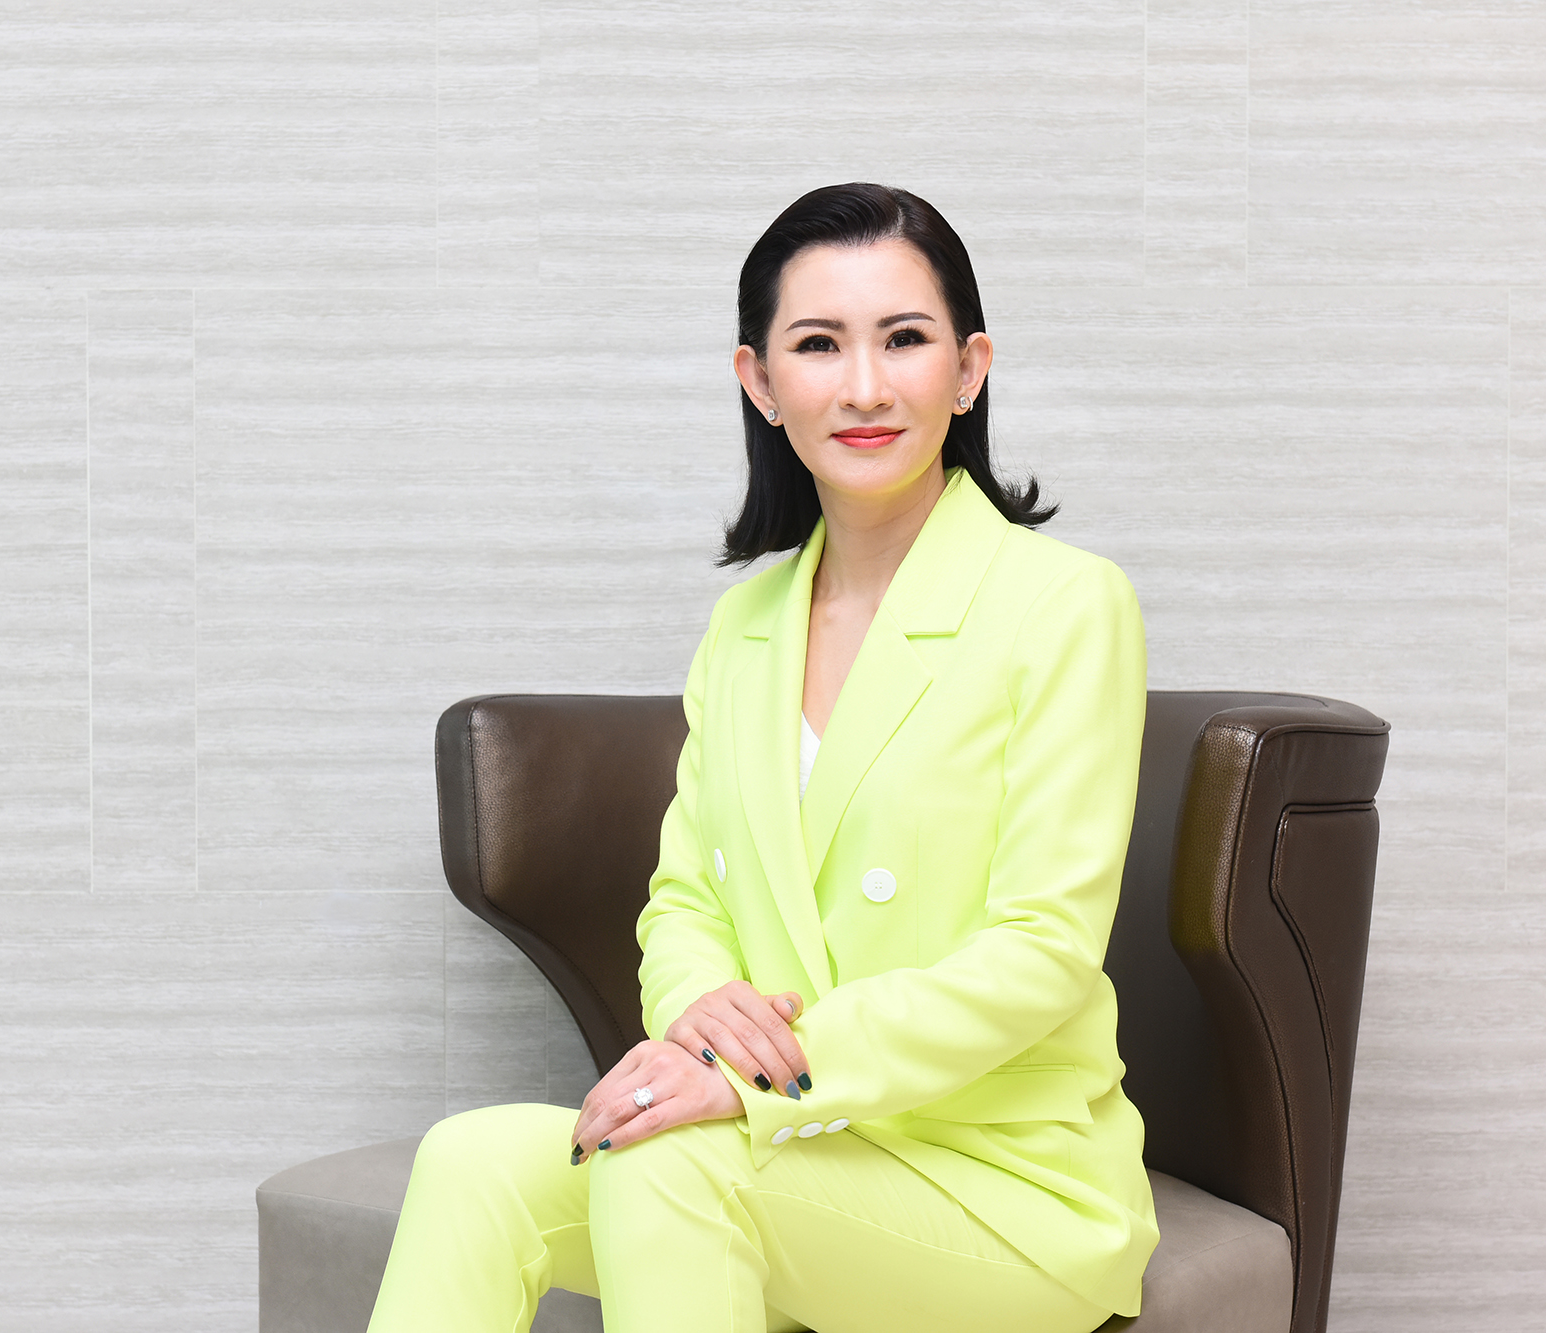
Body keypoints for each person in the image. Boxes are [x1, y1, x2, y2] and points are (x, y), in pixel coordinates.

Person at [366, 183, 1156, 1333]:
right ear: (760, 382)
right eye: (818, 344)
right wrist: (701, 1013)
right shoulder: (743, 628)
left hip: (1001, 1178)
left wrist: (748, 1078)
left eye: (904, 339)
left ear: (968, 368)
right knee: (471, 1162)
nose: (864, 386)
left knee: (670, 1163)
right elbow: (685, 898)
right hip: (794, 1144)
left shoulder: (1065, 604)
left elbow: (1042, 951)